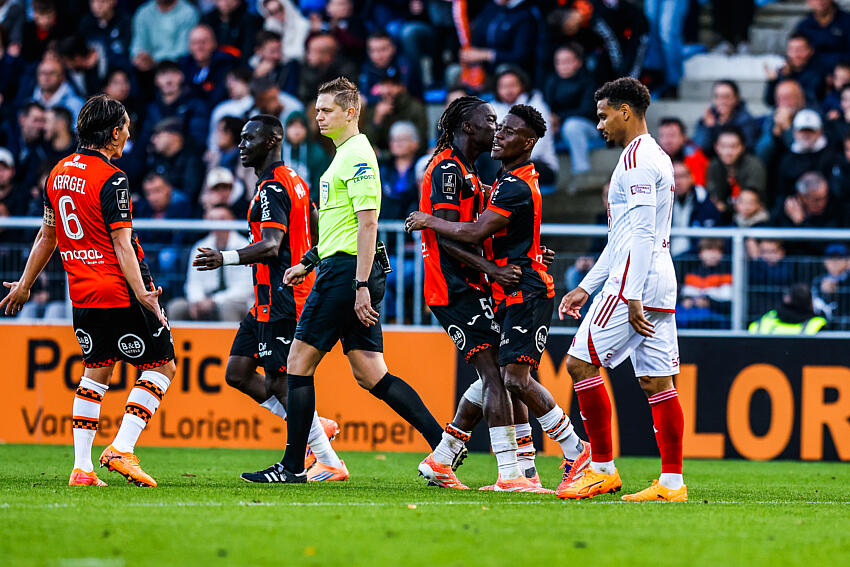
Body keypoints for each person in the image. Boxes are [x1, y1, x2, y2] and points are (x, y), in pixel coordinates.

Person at [245, 78, 444, 484]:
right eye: (317, 109)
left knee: (297, 364)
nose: (318, 115)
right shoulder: (344, 156)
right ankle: (444, 449)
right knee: (371, 373)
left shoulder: (356, 157)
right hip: (344, 266)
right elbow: (344, 226)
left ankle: (293, 466)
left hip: (347, 273)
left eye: (326, 110)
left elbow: (368, 223)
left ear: (350, 112)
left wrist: (359, 286)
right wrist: (309, 260)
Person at [405, 104, 590, 494]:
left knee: (502, 374)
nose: (497, 131)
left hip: (489, 285)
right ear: (467, 126)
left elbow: (479, 230)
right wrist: (496, 267)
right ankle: (514, 471)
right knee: (499, 375)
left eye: (504, 127)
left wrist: (526, 254)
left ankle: (452, 457)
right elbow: (452, 237)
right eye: (492, 123)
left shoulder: (481, 174)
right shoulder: (448, 170)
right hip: (454, 288)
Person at [0, 95, 175, 488]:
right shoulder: (112, 178)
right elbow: (122, 244)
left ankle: (82, 468)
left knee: (95, 375)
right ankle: (121, 448)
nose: (129, 133)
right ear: (114, 133)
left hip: (81, 294)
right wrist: (144, 293)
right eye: (126, 127)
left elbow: (48, 234)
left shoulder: (56, 173)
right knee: (163, 366)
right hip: (119, 286)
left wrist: (25, 284)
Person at [193, 114, 347, 482]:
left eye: (248, 139)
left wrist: (224, 257)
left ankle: (326, 460)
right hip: (268, 296)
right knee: (238, 372)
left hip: (282, 295)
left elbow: (272, 246)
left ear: (271, 141)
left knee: (282, 379)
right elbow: (312, 222)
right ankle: (313, 425)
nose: (241, 144)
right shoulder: (294, 180)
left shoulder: (272, 188)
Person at [557, 77, 686, 502]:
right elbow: (625, 235)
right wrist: (586, 287)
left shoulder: (634, 163)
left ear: (625, 111)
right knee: (657, 382)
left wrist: (629, 295)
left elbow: (641, 234)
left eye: (603, 115)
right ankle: (671, 484)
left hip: (637, 283)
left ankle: (601, 468)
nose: (599, 125)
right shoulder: (657, 157)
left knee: (579, 364)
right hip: (658, 279)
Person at [168, 205, 253, 321]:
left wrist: (214, 301)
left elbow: (245, 288)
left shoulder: (244, 246)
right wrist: (198, 301)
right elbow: (193, 283)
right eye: (212, 220)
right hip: (204, 300)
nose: (217, 224)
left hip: (235, 302)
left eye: (222, 219)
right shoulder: (200, 246)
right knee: (176, 307)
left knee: (228, 307)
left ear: (232, 219)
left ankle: (230, 340)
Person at [544, 44, 602, 179]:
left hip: (588, 127)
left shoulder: (589, 81)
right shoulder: (551, 81)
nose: (562, 65)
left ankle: (582, 173)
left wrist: (559, 118)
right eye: (558, 62)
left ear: (578, 62)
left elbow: (587, 110)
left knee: (572, 126)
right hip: (557, 127)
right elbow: (547, 108)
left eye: (567, 61)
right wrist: (552, 120)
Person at [707, 125, 767, 217]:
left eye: (733, 146)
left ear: (742, 147)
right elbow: (715, 198)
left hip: (751, 217)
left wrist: (726, 207)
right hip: (721, 216)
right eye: (723, 146)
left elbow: (749, 203)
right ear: (716, 147)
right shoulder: (714, 165)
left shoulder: (754, 166)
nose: (728, 152)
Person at [693, 80, 761, 154]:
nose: (721, 101)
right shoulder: (707, 119)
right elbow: (701, 148)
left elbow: (748, 149)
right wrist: (709, 128)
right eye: (717, 97)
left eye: (726, 97)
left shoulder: (746, 121)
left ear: (736, 99)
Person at [130, 0, 199, 72]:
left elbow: (183, 51)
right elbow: (137, 45)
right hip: (146, 69)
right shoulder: (143, 12)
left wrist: (154, 60)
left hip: (178, 68)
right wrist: (139, 56)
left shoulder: (188, 12)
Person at [670, 160, 721, 257]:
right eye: (673, 177)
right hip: (665, 257)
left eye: (681, 176)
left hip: (695, 258)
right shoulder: (660, 201)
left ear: (691, 178)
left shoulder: (704, 202)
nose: (677, 182)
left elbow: (711, 236)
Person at [748, 283, 827, 334]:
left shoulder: (768, 317)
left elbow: (752, 331)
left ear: (787, 299)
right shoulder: (817, 323)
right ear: (810, 302)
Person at [657, 117, 709, 187]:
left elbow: (699, 188)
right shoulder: (653, 159)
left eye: (672, 136)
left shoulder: (695, 157)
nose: (667, 141)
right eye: (662, 136)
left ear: (684, 137)